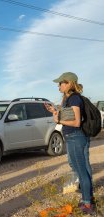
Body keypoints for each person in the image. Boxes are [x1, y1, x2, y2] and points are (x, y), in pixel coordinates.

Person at [45, 72, 94, 215]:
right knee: (80, 168)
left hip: (76, 137)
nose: (58, 86)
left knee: (80, 170)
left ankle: (87, 204)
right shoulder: (69, 99)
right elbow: (69, 116)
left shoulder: (74, 99)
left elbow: (76, 122)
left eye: (60, 83)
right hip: (73, 137)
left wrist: (59, 121)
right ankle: (87, 198)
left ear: (68, 83)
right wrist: (55, 111)